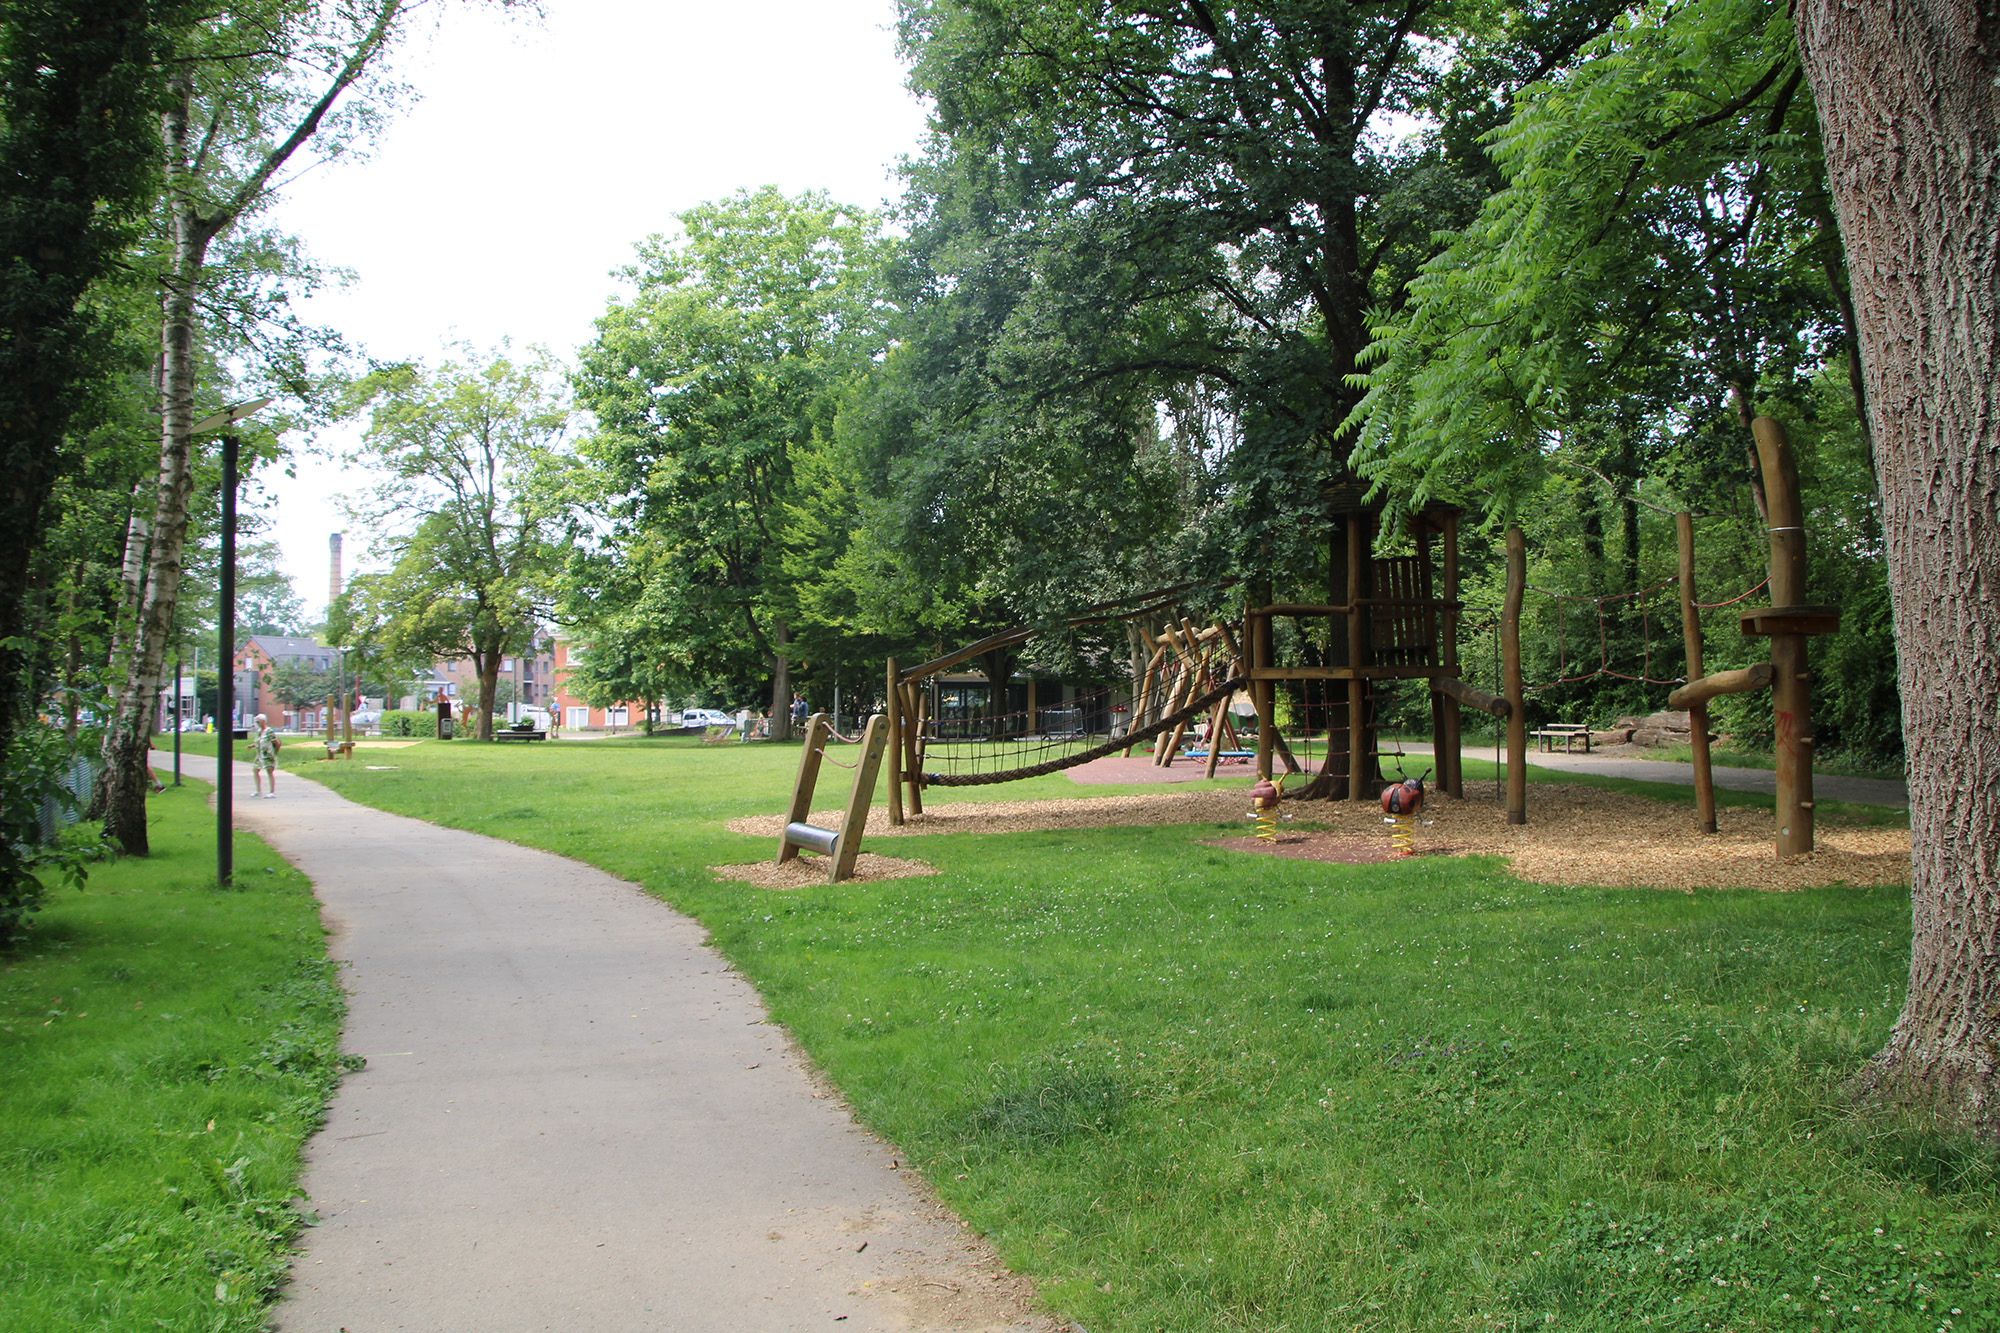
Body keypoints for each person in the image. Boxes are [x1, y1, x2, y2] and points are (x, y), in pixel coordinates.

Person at [251, 713, 281, 798]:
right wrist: (252, 746)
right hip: (259, 755)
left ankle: (272, 792)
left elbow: (277, 743)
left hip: (267, 755)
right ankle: (258, 791)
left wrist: (275, 753)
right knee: (255, 770)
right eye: (256, 721)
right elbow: (259, 741)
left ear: (263, 721)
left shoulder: (269, 731)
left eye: (258, 721)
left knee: (269, 772)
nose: (257, 723)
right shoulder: (259, 731)